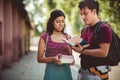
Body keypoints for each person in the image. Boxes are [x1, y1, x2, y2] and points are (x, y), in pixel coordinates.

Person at [72, 0, 112, 80]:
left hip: (97, 75)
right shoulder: (85, 29)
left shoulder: (104, 28)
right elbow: (85, 45)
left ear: (94, 11)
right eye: (81, 14)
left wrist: (82, 51)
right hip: (83, 73)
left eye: (85, 14)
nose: (83, 17)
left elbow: (104, 52)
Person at [37, 9, 74, 80]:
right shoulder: (45, 37)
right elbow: (39, 59)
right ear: (52, 22)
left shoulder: (68, 37)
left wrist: (71, 61)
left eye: (63, 21)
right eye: (58, 22)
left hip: (66, 74)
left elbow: (71, 60)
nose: (61, 24)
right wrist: (53, 59)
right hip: (51, 75)